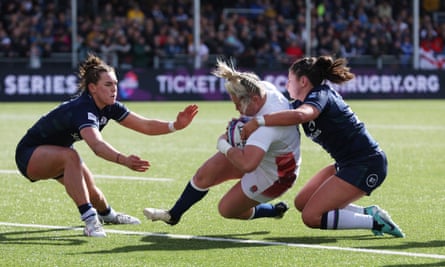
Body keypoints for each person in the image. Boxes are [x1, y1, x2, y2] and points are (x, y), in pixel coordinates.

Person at [15, 54, 199, 237]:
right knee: (71, 157)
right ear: (92, 88)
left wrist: (175, 126)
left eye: (116, 84)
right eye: (108, 85)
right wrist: (124, 160)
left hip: (57, 154)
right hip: (29, 155)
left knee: (93, 193)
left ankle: (107, 215)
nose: (114, 89)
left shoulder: (111, 106)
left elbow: (145, 125)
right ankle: (90, 220)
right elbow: (96, 145)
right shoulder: (83, 108)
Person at [242, 56, 405, 237]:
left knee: (311, 217)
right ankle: (368, 213)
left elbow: (302, 115)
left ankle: (374, 222)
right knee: (302, 202)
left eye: (289, 81)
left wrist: (259, 122)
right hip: (346, 164)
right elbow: (282, 112)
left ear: (303, 81)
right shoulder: (299, 103)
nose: (286, 85)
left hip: (366, 164)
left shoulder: (320, 94)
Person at [143, 58, 301, 225]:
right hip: (267, 153)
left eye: (238, 104)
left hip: (277, 174)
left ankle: (274, 210)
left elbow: (248, 164)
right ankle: (173, 214)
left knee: (226, 209)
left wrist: (223, 145)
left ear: (254, 100)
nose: (237, 109)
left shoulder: (266, 127)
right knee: (204, 174)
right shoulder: (261, 89)